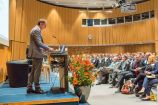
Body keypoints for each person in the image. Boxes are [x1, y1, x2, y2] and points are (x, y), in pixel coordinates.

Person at [27, 19, 54, 94]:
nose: (45, 27)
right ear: (41, 23)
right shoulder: (36, 30)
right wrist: (48, 48)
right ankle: (37, 88)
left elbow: (37, 43)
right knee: (37, 71)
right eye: (45, 25)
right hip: (37, 53)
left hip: (36, 52)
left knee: (33, 71)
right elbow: (39, 43)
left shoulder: (35, 29)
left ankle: (29, 87)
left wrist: (44, 50)